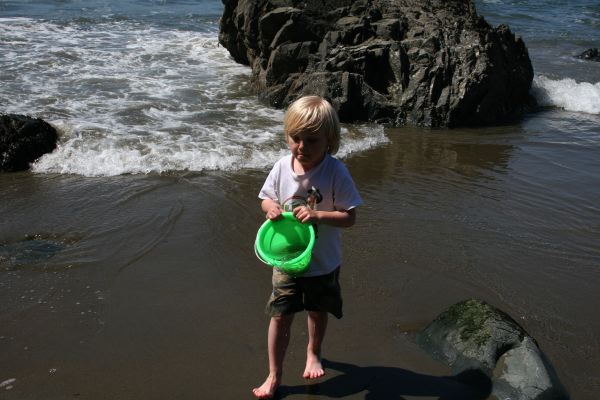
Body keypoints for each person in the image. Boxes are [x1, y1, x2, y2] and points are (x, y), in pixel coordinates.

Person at [253, 96, 362, 399]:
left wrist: (318, 216)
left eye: (312, 140)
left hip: (322, 262)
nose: (301, 146)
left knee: (317, 310)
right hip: (286, 259)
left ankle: (313, 351)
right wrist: (271, 208)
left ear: (330, 141)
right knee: (280, 315)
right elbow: (265, 198)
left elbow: (350, 217)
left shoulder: (335, 172)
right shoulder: (281, 167)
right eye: (295, 138)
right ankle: (274, 374)